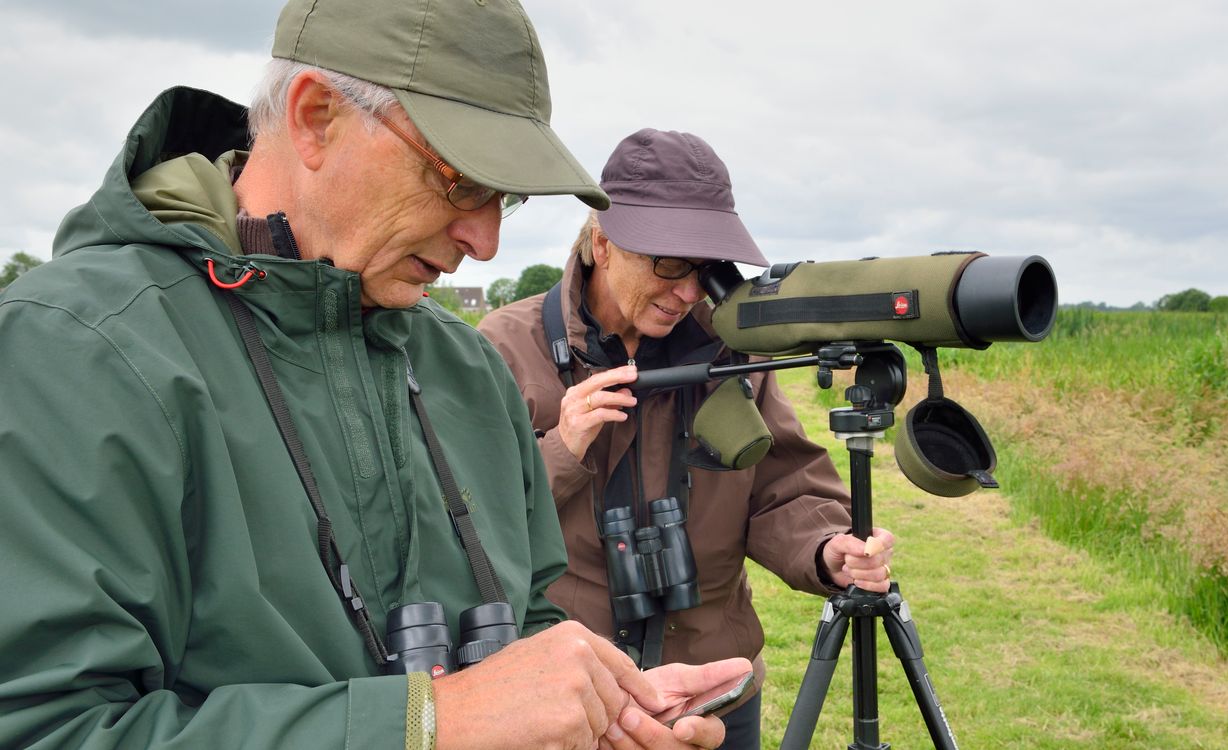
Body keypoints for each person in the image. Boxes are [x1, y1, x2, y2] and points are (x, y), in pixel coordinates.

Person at [0, 2, 748, 748]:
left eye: (507, 198)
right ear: (315, 117)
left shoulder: (468, 368)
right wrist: (431, 723)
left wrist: (596, 714)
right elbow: (47, 728)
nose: (484, 241)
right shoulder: (75, 349)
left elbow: (527, 619)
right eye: (462, 182)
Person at [478, 129, 897, 748]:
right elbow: (470, 523)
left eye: (705, 268)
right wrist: (563, 447)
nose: (688, 292)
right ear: (602, 242)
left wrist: (827, 547)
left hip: (714, 688)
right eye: (669, 264)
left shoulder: (732, 356)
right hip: (573, 699)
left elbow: (784, 485)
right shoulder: (504, 350)